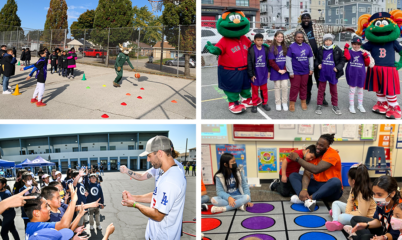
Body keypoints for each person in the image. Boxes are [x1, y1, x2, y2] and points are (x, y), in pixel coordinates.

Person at [121, 136, 186, 240]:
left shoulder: (170, 180)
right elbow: (158, 195)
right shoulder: (164, 171)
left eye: (149, 155)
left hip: (163, 236)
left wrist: (134, 204)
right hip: (155, 233)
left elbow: (158, 215)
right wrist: (134, 198)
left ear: (160, 153)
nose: (147, 159)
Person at [284, 10, 355, 106]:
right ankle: (307, 97)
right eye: (304, 18)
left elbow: (331, 28)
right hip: (307, 59)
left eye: (307, 18)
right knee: (307, 81)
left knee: (320, 80)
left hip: (320, 59)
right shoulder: (298, 31)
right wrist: (274, 41)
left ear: (310, 19)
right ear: (301, 20)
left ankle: (323, 98)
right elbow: (286, 38)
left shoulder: (318, 27)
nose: (306, 20)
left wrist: (344, 28)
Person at [288, 134, 343, 211]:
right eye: (317, 143)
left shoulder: (332, 154)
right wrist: (304, 189)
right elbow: (307, 173)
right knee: (293, 175)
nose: (317, 147)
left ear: (327, 147)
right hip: (317, 186)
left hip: (331, 190)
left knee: (336, 181)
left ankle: (310, 199)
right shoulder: (316, 154)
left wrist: (298, 159)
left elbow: (316, 169)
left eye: (321, 145)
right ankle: (304, 198)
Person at [325, 164, 376, 232]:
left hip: (365, 218)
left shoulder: (364, 193)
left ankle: (337, 217)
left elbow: (362, 214)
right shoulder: (354, 188)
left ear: (353, 181)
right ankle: (336, 221)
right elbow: (350, 202)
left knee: (341, 217)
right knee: (335, 203)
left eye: (348, 178)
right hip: (355, 211)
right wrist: (347, 212)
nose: (348, 179)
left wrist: (347, 214)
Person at [350, 175, 402, 240]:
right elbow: (379, 220)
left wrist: (383, 237)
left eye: (379, 194)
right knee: (355, 220)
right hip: (383, 229)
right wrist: (366, 225)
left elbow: (394, 235)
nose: (376, 197)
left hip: (390, 236)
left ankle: (361, 236)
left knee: (365, 237)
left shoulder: (399, 210)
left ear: (392, 193)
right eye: (374, 193)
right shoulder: (383, 202)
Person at [315, 34, 345, 115]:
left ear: (332, 41)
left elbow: (342, 60)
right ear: (324, 41)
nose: (328, 42)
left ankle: (335, 105)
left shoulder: (337, 49)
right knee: (321, 90)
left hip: (332, 73)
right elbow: (317, 60)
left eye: (329, 40)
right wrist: (318, 65)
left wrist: (338, 68)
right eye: (326, 40)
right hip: (323, 73)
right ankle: (319, 104)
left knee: (334, 91)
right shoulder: (320, 49)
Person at [344, 36, 374, 114]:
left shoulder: (363, 52)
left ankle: (360, 105)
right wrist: (346, 48)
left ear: (360, 45)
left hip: (361, 74)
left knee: (360, 90)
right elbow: (347, 58)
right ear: (352, 44)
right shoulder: (350, 51)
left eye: (358, 44)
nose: (356, 46)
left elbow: (367, 64)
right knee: (352, 90)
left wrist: (366, 56)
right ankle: (351, 105)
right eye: (354, 44)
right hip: (352, 73)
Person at [286, 31, 314, 112]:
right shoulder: (291, 47)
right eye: (298, 37)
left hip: (305, 71)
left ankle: (303, 101)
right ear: (295, 37)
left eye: (301, 37)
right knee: (294, 87)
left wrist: (311, 68)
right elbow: (288, 60)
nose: (300, 38)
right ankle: (292, 103)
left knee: (304, 87)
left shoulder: (307, 46)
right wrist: (290, 71)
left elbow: (310, 58)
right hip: (295, 71)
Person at [247, 33, 271, 113]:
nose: (260, 42)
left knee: (264, 90)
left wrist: (268, 71)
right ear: (254, 41)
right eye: (258, 40)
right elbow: (249, 63)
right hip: (255, 74)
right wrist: (251, 75)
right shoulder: (251, 49)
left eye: (261, 40)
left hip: (263, 73)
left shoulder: (266, 49)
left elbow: (268, 61)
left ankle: (265, 103)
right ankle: (254, 104)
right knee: (255, 91)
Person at [269, 31, 289, 111]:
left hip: (284, 70)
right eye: (278, 36)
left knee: (285, 87)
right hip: (276, 70)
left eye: (282, 36)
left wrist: (284, 69)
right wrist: (278, 70)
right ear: (275, 37)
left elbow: (288, 59)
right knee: (277, 87)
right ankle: (278, 103)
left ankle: (284, 102)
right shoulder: (272, 47)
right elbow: (271, 61)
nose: (280, 38)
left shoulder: (286, 47)